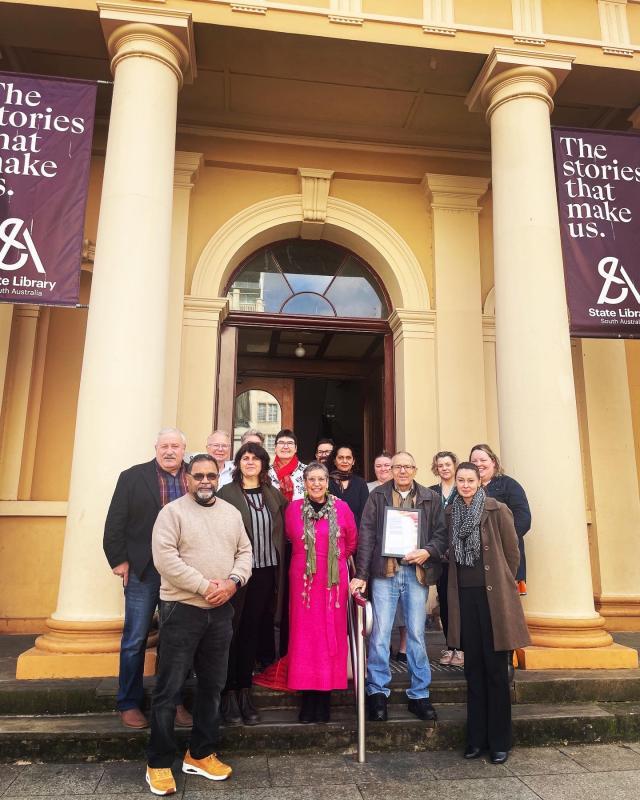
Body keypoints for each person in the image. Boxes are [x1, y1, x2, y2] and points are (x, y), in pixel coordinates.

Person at [146, 453, 252, 795]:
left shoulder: (231, 513)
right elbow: (166, 560)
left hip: (221, 612)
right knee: (169, 688)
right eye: (198, 476)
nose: (205, 481)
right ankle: (159, 762)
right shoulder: (172, 513)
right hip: (182, 609)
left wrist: (233, 582)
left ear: (218, 476)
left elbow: (245, 552)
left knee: (213, 685)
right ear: (187, 479)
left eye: (211, 475)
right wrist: (206, 586)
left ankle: (201, 753)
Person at [103, 428, 193, 730]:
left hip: (182, 572)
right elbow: (115, 521)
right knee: (135, 639)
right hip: (143, 570)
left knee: (176, 640)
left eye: (176, 446)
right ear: (156, 448)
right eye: (165, 446)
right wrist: (119, 561)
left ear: (184, 450)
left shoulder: (193, 478)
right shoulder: (133, 476)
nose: (170, 451)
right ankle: (128, 702)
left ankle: (172, 700)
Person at [350, 451, 447, 723]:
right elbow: (367, 534)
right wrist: (362, 574)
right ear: (390, 470)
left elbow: (441, 535)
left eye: (407, 467)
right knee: (380, 634)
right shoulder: (378, 496)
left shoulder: (431, 498)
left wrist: (428, 551)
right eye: (397, 467)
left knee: (416, 634)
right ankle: (377, 692)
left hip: (416, 573)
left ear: (415, 470)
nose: (402, 471)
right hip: (385, 573)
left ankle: (420, 694)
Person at [446, 462, 530, 764]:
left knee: (496, 671)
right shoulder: (451, 512)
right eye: (461, 480)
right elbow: (446, 548)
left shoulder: (497, 509)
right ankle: (476, 739)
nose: (466, 485)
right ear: (455, 482)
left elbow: (512, 551)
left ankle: (500, 742)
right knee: (473, 671)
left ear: (480, 481)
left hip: (493, 599)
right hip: (465, 598)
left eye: (470, 480)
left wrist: (503, 581)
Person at [217, 442, 287, 725]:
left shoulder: (274, 494)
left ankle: (245, 691)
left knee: (251, 632)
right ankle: (228, 693)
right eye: (245, 458)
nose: (250, 462)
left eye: (255, 458)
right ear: (238, 463)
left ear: (263, 464)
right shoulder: (227, 494)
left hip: (266, 572)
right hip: (236, 574)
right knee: (230, 632)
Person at [285, 461, 357, 723]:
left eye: (321, 479)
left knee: (329, 638)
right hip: (303, 583)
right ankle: (307, 699)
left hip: (332, 583)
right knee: (305, 639)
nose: (316, 484)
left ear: (328, 482)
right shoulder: (293, 510)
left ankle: (324, 699)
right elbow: (290, 538)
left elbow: (351, 542)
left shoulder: (342, 508)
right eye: (311, 479)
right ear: (304, 483)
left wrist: (332, 563)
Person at [469, 444, 531, 594]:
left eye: (483, 460)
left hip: (504, 555)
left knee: (505, 606)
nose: (478, 464)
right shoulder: (467, 487)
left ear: (493, 462)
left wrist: (501, 541)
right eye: (474, 461)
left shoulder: (509, 485)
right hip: (476, 561)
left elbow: (523, 519)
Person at [429, 450, 463, 667]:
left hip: (460, 556)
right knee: (445, 603)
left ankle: (462, 649)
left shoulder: (463, 490)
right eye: (440, 465)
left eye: (447, 464)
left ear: (455, 466)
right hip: (439, 557)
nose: (444, 468)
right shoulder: (431, 492)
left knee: (461, 603)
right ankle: (451, 647)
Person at [329, 445, 370, 528]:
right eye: (340, 458)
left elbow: (365, 514)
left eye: (348, 458)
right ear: (334, 461)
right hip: (331, 533)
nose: (345, 461)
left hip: (355, 534)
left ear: (353, 461)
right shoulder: (327, 482)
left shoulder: (360, 483)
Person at [268, 429, 306, 501]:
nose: (285, 447)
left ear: (296, 448)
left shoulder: (308, 471)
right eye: (281, 443)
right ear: (275, 448)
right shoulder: (265, 472)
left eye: (290, 443)